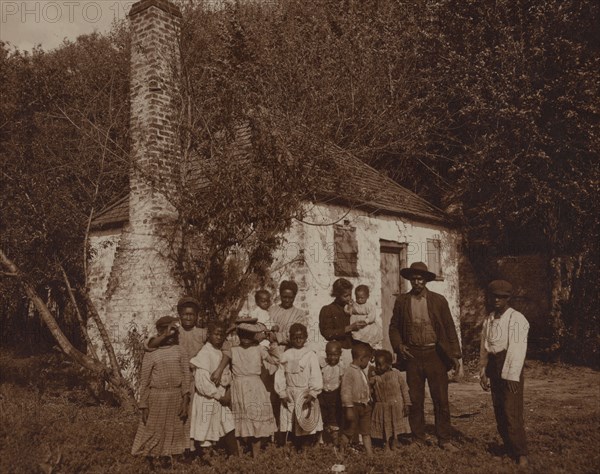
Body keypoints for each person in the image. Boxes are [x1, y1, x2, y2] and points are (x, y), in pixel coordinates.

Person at [388, 261, 461, 451]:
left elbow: (449, 327)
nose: (417, 282)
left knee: (441, 399)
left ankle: (444, 439)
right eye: (413, 279)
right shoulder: (402, 301)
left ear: (426, 280)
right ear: (410, 280)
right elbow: (394, 327)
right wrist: (398, 346)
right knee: (415, 399)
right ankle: (418, 438)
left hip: (435, 355)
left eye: (420, 279)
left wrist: (455, 354)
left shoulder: (439, 300)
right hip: (412, 355)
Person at [479, 280, 529, 467]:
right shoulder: (489, 319)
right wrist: (483, 371)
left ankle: (520, 451)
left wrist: (512, 376)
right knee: (499, 410)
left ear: (508, 298)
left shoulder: (516, 319)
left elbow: (517, 348)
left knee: (511, 410)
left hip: (509, 366)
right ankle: (508, 447)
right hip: (494, 365)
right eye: (494, 297)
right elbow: (484, 347)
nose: (497, 300)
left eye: (502, 297)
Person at [131, 316, 191, 467]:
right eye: (167, 332)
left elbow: (186, 376)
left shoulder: (180, 351)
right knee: (152, 428)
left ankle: (173, 458)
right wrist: (143, 405)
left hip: (176, 395)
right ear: (159, 332)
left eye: (174, 333)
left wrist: (185, 400)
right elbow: (145, 381)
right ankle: (150, 458)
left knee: (176, 427)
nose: (171, 336)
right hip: (157, 397)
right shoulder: (151, 352)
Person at [229, 322, 279, 458]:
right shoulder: (233, 349)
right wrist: (231, 329)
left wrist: (272, 343)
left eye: (249, 334)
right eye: (242, 334)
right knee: (239, 421)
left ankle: (256, 456)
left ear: (254, 336)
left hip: (255, 387)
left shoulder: (259, 349)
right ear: (238, 334)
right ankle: (240, 455)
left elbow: (276, 361)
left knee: (256, 420)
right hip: (238, 387)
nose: (245, 338)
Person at [189, 321, 238, 457]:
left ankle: (236, 458)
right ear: (209, 335)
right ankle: (207, 460)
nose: (218, 337)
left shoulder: (220, 351)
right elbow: (202, 382)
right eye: (216, 334)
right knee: (206, 429)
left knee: (228, 424)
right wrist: (218, 396)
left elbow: (227, 374)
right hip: (209, 398)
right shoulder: (205, 353)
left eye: (221, 335)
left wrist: (227, 391)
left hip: (221, 397)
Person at [275, 323, 323, 450]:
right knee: (290, 425)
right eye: (295, 337)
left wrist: (312, 393)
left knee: (305, 423)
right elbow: (280, 375)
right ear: (290, 338)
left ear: (306, 337)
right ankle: (291, 451)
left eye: (301, 337)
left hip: (305, 394)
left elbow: (316, 375)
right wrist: (282, 393)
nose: (298, 340)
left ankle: (305, 451)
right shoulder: (286, 354)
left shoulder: (310, 355)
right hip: (290, 394)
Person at [319, 278, 368, 367]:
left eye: (350, 295)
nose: (349, 298)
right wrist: (349, 328)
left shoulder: (353, 307)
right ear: (337, 295)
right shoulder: (329, 310)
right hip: (340, 353)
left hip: (357, 350)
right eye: (345, 296)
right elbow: (327, 333)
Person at [370, 349, 411, 452]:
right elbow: (370, 389)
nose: (378, 367)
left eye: (380, 365)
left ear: (389, 364)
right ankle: (386, 444)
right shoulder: (376, 377)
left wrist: (407, 404)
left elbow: (404, 389)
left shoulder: (396, 374)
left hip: (396, 406)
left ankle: (395, 442)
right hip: (382, 407)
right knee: (385, 425)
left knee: (394, 426)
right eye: (376, 365)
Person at [339, 343, 373, 456]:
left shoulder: (360, 370)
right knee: (349, 431)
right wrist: (348, 408)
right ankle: (341, 451)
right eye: (367, 360)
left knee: (366, 431)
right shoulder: (349, 372)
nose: (368, 363)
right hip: (353, 407)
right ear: (362, 359)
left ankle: (370, 454)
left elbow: (363, 385)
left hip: (364, 406)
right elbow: (346, 392)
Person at [319, 341, 345, 446]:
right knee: (323, 416)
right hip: (323, 394)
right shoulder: (323, 365)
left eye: (335, 355)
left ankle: (335, 442)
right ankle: (323, 441)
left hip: (335, 395)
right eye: (329, 355)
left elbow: (343, 380)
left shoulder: (341, 366)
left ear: (340, 354)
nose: (332, 358)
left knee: (334, 417)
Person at [268, 281, 308, 347]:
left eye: (290, 298)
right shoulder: (271, 310)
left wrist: (274, 336)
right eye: (284, 297)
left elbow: (296, 336)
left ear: (294, 296)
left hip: (289, 351)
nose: (287, 300)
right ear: (280, 295)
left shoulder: (299, 314)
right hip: (269, 349)